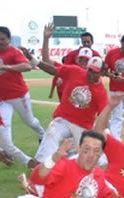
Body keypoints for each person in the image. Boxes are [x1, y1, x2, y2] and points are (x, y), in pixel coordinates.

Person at [32, 26, 109, 166]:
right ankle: (41, 165)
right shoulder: (74, 71)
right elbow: (52, 69)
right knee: (51, 132)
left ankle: (66, 164)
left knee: (94, 160)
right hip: (64, 119)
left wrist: (102, 133)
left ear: (100, 73)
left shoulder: (101, 91)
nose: (91, 74)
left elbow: (103, 116)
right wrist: (35, 61)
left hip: (82, 126)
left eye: (95, 72)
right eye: (90, 70)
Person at [0, 26, 45, 142]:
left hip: (18, 95)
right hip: (2, 97)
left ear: (9, 39)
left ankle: (42, 134)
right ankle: (7, 149)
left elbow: (27, 66)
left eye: (3, 39)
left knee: (29, 121)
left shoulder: (14, 52)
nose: (0, 42)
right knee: (4, 124)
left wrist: (7, 67)